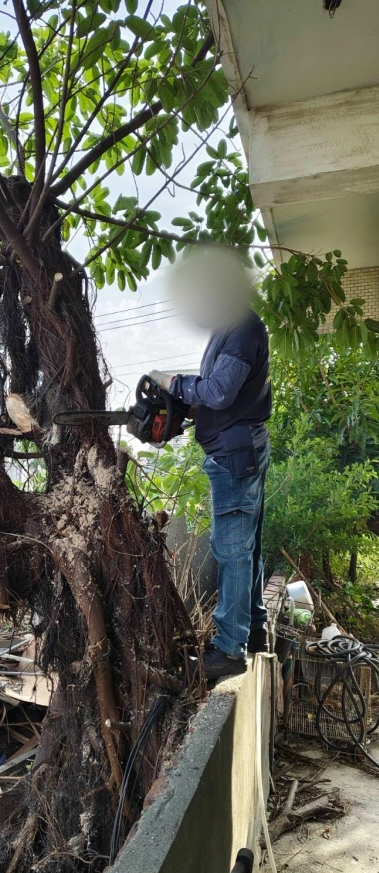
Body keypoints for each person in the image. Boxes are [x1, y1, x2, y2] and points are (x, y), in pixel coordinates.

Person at [151, 249, 272, 680]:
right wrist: (183, 414)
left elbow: (219, 392)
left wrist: (172, 383)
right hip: (239, 446)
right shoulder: (232, 328)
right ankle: (254, 631)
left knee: (232, 550)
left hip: (234, 456)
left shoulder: (240, 327)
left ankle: (228, 649)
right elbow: (225, 399)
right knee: (248, 548)